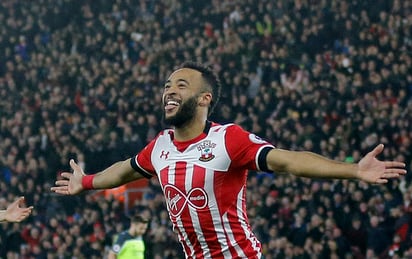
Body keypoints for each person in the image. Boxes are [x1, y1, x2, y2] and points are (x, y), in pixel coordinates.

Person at [51, 61, 406, 258]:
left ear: (204, 99)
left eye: (181, 86)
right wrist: (85, 182)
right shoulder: (159, 146)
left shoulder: (228, 139)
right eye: (167, 86)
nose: (169, 92)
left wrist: (353, 170)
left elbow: (288, 161)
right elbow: (125, 170)